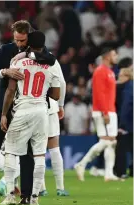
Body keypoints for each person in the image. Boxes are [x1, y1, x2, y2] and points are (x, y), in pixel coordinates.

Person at [0, 20, 56, 204]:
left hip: (27, 108)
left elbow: (51, 59)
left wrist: (24, 54)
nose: (19, 43)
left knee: (27, 153)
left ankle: (26, 195)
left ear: (29, 36)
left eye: (22, 40)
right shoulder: (6, 49)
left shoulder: (39, 51)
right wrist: (5, 72)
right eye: (16, 40)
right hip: (2, 106)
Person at [0, 31, 60, 205]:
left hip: (22, 109)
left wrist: (4, 114)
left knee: (10, 152)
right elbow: (56, 95)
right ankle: (34, 198)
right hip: (42, 111)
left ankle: (10, 195)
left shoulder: (18, 61)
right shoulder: (52, 64)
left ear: (28, 44)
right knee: (39, 154)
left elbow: (10, 90)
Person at [11, 52, 68, 196]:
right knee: (54, 148)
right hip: (50, 106)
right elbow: (61, 82)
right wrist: (60, 105)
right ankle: (60, 188)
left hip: (29, 107)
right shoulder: (50, 58)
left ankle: (41, 188)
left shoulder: (21, 59)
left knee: (35, 149)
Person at [74, 48, 120, 181]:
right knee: (107, 141)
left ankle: (109, 173)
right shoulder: (100, 71)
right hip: (102, 111)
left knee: (112, 142)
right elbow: (99, 94)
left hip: (110, 110)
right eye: (114, 54)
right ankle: (81, 164)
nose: (116, 57)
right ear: (106, 57)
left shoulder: (110, 72)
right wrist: (105, 112)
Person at [114, 67, 133, 178]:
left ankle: (120, 172)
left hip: (128, 124)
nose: (118, 78)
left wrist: (122, 125)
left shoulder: (128, 89)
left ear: (127, 76)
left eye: (120, 76)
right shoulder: (129, 86)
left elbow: (127, 107)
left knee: (121, 148)